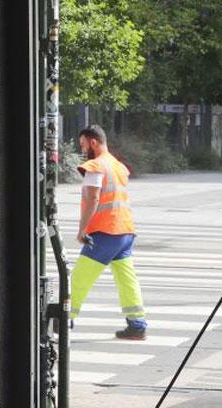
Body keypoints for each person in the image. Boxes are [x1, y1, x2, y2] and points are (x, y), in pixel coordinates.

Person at [68, 124, 147, 341]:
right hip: (125, 232)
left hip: (105, 231)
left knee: (79, 278)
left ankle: (65, 320)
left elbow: (93, 198)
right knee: (126, 279)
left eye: (83, 145)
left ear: (93, 142)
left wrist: (82, 229)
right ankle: (137, 325)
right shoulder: (118, 166)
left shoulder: (95, 166)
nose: (83, 150)